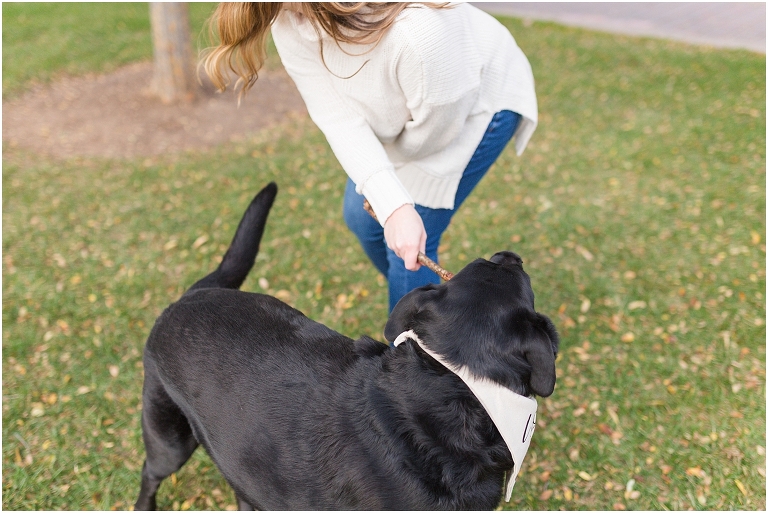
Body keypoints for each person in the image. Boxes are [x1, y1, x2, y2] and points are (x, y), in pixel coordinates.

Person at [204, 2, 537, 313]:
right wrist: (390, 201)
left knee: (408, 246)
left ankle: (416, 361)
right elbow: (336, 117)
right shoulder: (291, 16)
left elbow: (435, 135)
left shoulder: (420, 34)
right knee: (361, 217)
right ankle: (442, 309)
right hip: (408, 119)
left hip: (475, 104)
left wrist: (398, 201)